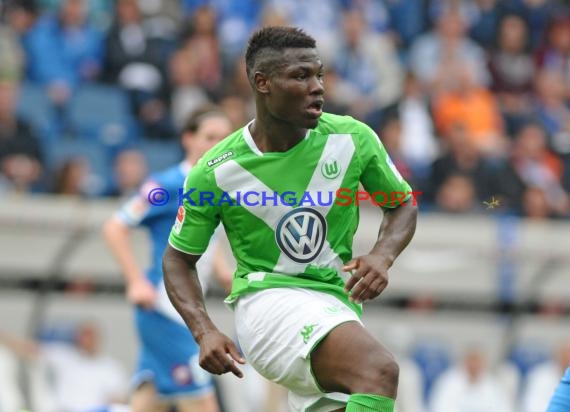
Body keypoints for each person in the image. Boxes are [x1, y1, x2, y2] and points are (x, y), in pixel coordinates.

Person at [163, 26, 418, 412]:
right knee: (378, 371)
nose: (317, 86)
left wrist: (383, 255)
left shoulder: (352, 139)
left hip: (335, 302)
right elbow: (178, 260)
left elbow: (401, 204)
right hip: (267, 303)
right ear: (262, 83)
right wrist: (204, 331)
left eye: (319, 74)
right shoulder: (215, 171)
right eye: (301, 76)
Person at [102, 105, 234, 412]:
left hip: (182, 308)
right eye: (210, 136)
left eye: (225, 138)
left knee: (146, 404)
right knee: (203, 402)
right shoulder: (167, 184)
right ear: (188, 139)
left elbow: (201, 240)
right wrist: (135, 281)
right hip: (164, 306)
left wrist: (223, 272)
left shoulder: (216, 187)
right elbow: (114, 226)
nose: (218, 145)